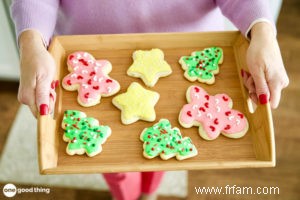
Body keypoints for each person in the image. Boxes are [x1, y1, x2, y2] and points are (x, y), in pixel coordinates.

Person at [10, 1, 289, 200]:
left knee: (162, 153)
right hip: (89, 51)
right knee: (112, 164)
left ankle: (150, 191)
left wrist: (262, 30)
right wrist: (31, 43)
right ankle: (124, 195)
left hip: (189, 54)